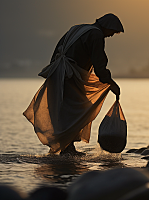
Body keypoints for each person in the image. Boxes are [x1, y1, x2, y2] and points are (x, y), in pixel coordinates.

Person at [23, 13, 124, 156]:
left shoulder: (78, 28)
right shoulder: (96, 35)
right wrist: (111, 83)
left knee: (64, 111)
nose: (112, 35)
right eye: (112, 32)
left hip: (59, 73)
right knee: (73, 111)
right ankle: (67, 149)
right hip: (70, 77)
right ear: (106, 27)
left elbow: (58, 50)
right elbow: (99, 64)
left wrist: (55, 71)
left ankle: (67, 147)